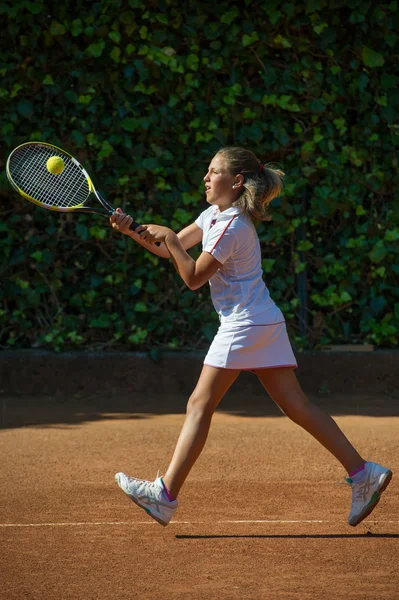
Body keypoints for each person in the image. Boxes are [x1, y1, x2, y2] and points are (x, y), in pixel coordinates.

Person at [110, 146, 392, 528]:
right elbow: (171, 249)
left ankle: (164, 495)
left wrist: (172, 241)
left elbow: (192, 276)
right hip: (263, 321)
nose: (206, 178)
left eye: (213, 172)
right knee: (298, 406)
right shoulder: (215, 215)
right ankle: (364, 474)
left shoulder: (233, 225)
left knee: (199, 404)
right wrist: (134, 231)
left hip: (244, 324)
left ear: (236, 181)